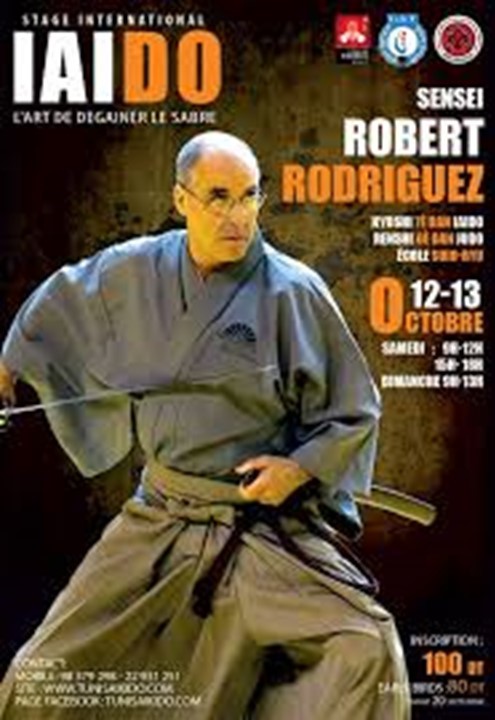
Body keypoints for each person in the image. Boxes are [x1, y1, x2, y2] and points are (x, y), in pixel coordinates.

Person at [0, 131, 410, 719]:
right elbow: (63, 299)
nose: (237, 215)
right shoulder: (136, 268)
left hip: (257, 525)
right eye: (218, 197)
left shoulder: (293, 291)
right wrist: (9, 365)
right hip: (160, 516)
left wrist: (296, 470)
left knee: (367, 648)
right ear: (181, 199)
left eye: (249, 196)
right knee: (40, 675)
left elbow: (355, 410)